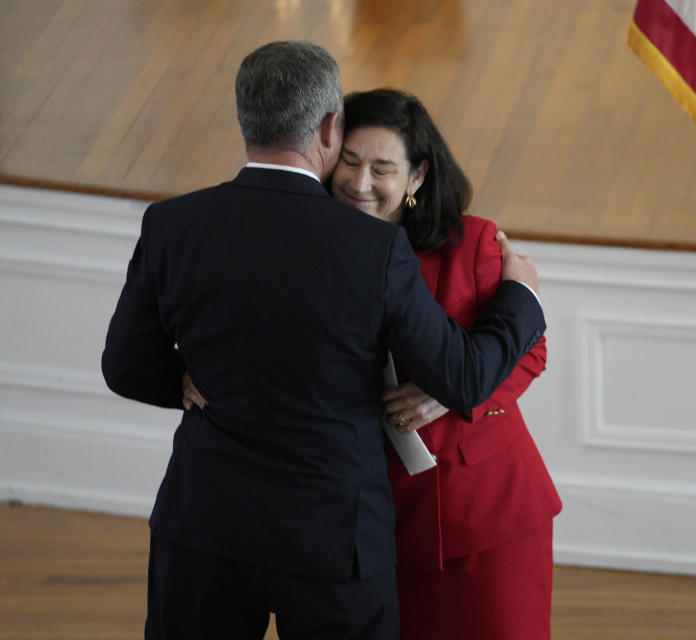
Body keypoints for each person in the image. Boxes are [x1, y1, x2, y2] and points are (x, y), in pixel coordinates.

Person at [100, 41, 545, 640]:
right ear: (330, 127)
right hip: (334, 541)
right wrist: (524, 298)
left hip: (204, 525)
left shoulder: (172, 224)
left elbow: (124, 367)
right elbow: (461, 378)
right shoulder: (374, 249)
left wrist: (179, 381)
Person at [329, 88, 562, 640]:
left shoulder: (473, 243)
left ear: (416, 178)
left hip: (486, 514)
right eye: (351, 162)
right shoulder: (316, 247)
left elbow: (531, 350)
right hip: (374, 520)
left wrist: (448, 390)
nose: (361, 183)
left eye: (382, 168)